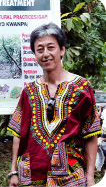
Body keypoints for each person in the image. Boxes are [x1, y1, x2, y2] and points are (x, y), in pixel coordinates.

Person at [7, 23, 101, 186]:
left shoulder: (82, 88)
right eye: (40, 49)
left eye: (51, 47)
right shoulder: (29, 91)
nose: (46, 54)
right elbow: (18, 133)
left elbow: (90, 135)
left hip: (71, 176)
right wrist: (14, 171)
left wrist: (90, 177)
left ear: (62, 50)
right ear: (35, 54)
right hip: (31, 175)